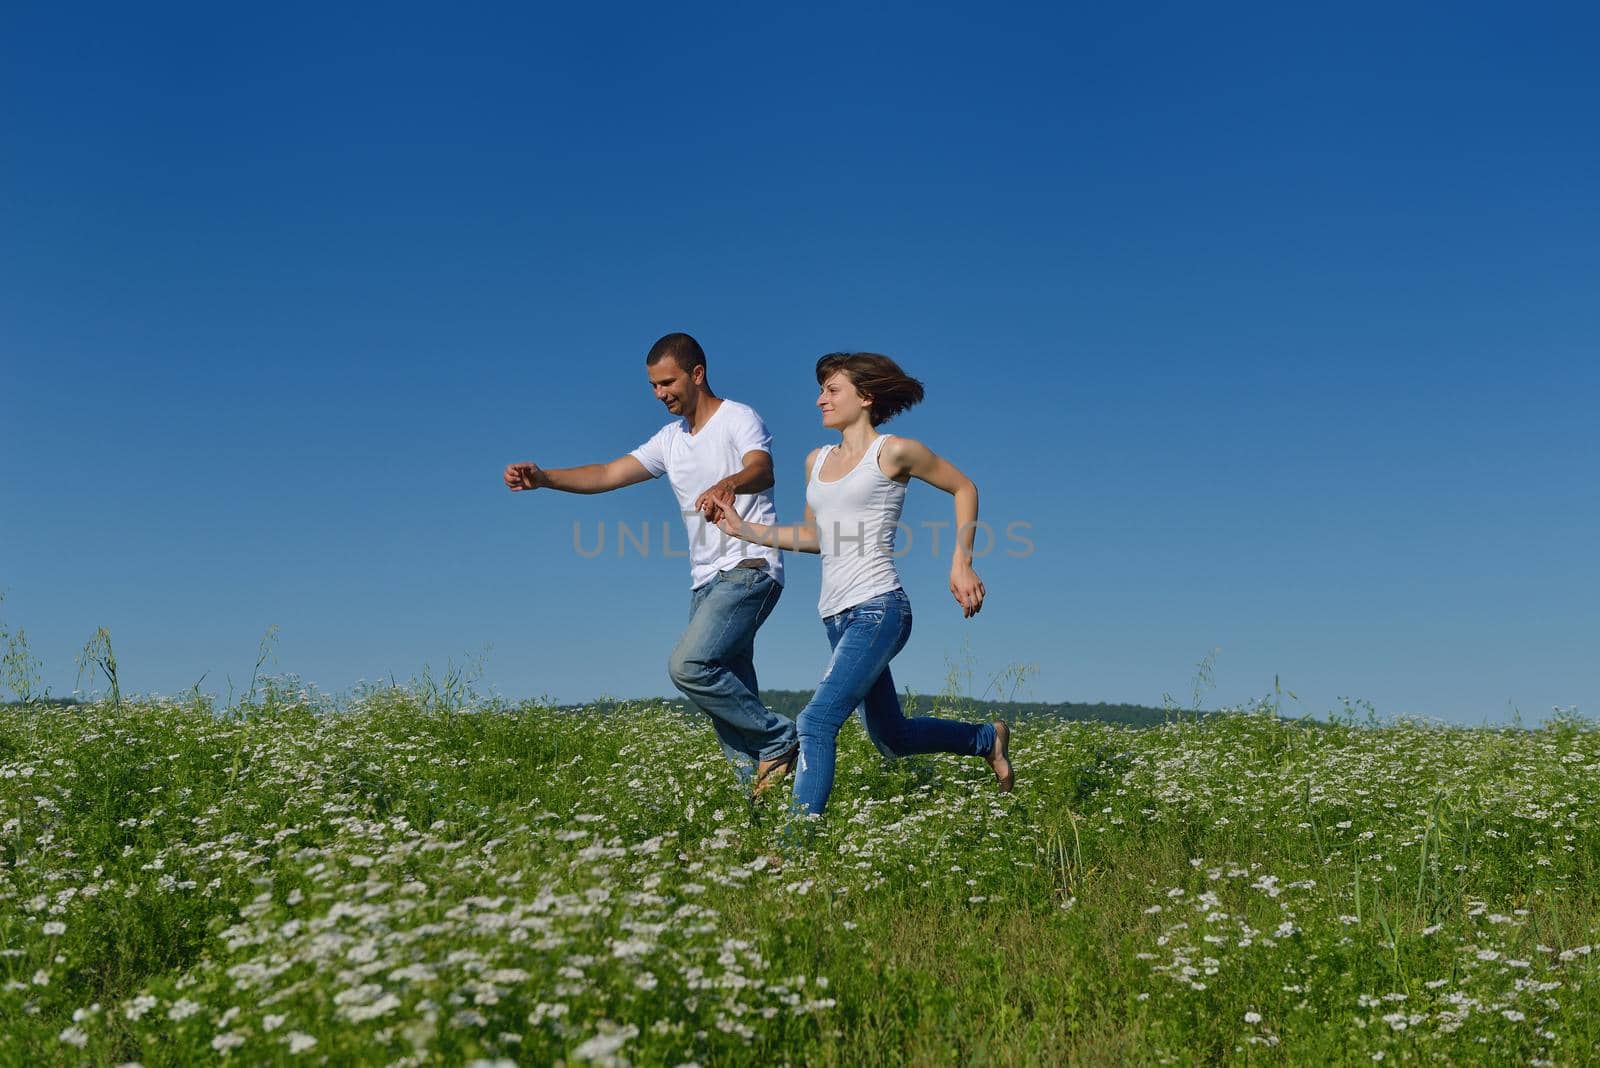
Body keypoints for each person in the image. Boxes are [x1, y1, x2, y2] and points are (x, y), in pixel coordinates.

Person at [712, 351, 1012, 817]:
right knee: (893, 738)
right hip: (835, 616)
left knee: (814, 722)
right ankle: (986, 739)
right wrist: (743, 529)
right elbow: (814, 536)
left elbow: (964, 487)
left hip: (880, 608)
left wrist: (962, 563)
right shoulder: (816, 461)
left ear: (865, 396)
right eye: (820, 391)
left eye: (832, 391)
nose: (819, 400)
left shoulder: (892, 451)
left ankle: (796, 850)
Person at [503, 332, 799, 794]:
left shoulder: (738, 418)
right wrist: (544, 479)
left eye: (667, 382)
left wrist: (729, 484)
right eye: (653, 387)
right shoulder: (669, 441)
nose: (660, 394)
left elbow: (763, 468)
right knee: (725, 701)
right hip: (704, 581)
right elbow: (607, 474)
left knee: (689, 666)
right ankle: (757, 812)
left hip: (750, 567)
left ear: (696, 374)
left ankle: (780, 738)